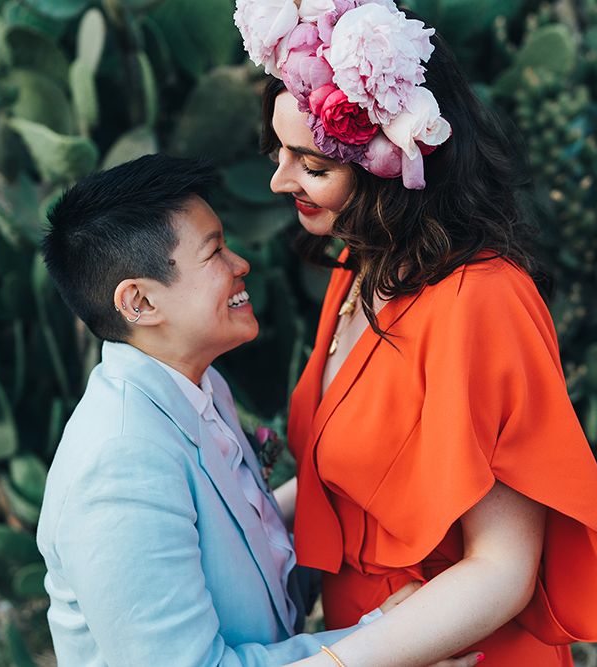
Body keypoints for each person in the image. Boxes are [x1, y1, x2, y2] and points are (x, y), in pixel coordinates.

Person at [234, 1, 597, 666]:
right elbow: (342, 480)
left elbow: (502, 567)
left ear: (394, 167)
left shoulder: (479, 301)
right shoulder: (359, 265)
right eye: (276, 152)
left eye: (309, 165)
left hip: (454, 648)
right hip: (367, 637)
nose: (278, 180)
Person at [36, 155, 480, 666]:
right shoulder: (119, 466)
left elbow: (247, 536)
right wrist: (391, 643)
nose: (239, 264)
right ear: (139, 302)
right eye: (215, 252)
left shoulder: (193, 387)